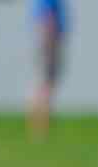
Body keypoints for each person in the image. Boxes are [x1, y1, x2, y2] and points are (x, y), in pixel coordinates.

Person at [29, 0, 68, 141]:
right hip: (49, 38)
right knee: (45, 84)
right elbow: (47, 15)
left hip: (47, 37)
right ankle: (40, 129)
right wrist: (50, 39)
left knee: (44, 84)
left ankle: (41, 128)